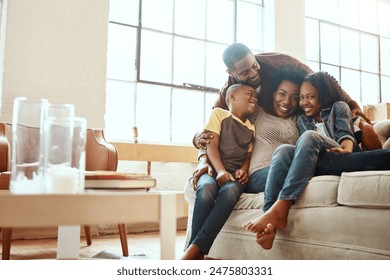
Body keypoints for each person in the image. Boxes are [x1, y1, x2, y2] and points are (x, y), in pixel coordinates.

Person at [243, 72, 390, 250]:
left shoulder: (338, 107)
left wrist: (347, 149)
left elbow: (344, 132)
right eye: (302, 98)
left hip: (339, 151)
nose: (304, 102)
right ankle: (270, 223)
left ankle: (282, 206)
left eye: (310, 97)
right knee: (283, 150)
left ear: (323, 97)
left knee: (309, 137)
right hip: (316, 160)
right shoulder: (302, 119)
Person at [181, 84, 257, 260]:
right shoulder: (219, 114)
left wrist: (244, 170)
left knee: (230, 191)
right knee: (206, 190)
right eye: (249, 94)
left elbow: (247, 155)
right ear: (232, 97)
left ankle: (192, 255)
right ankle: (196, 253)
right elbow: (211, 145)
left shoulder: (251, 128)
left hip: (233, 177)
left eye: (256, 96)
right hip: (212, 170)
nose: (254, 98)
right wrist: (220, 170)